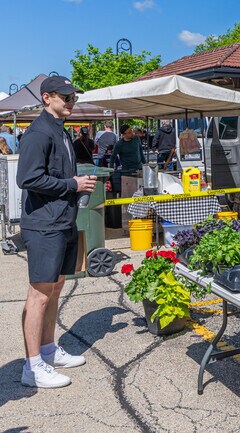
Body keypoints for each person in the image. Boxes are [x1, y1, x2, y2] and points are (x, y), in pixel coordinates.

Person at [16, 75, 96, 388]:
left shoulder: (59, 129)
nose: (71, 102)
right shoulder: (38, 132)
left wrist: (73, 186)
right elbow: (28, 178)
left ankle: (48, 351)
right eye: (66, 97)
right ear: (47, 97)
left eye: (73, 97)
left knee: (56, 287)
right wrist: (71, 185)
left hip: (63, 220)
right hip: (43, 225)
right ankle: (32, 366)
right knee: (38, 295)